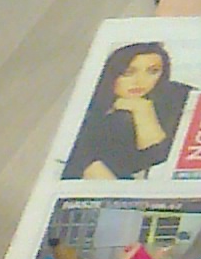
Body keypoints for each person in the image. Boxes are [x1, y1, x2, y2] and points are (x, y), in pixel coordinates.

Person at [63, 41, 189, 182]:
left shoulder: (176, 95)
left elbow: (158, 157)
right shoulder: (87, 116)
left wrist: (142, 110)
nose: (140, 81)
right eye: (128, 73)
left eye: (153, 71)